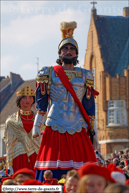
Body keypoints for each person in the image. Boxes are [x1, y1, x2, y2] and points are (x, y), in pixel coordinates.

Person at [32, 21, 99, 180]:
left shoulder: (86, 75)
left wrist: (93, 132)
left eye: (72, 49)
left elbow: (89, 106)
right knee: (52, 166)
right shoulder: (48, 72)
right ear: (59, 53)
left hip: (78, 125)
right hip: (54, 123)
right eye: (65, 49)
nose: (68, 52)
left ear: (76, 54)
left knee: (81, 167)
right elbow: (41, 103)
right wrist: (36, 124)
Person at [4, 86, 41, 174]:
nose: (27, 101)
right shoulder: (11, 121)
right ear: (19, 100)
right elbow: (9, 144)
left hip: (37, 155)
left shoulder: (40, 118)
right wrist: (9, 164)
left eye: (30, 97)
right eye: (24, 98)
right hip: (18, 155)